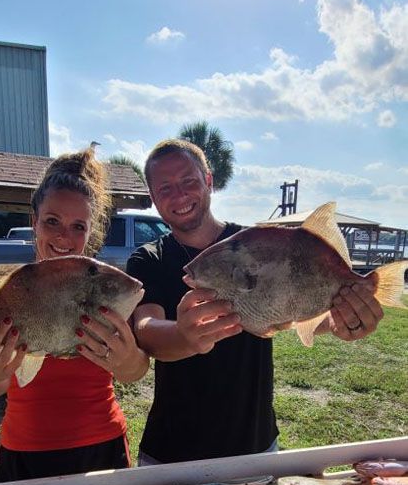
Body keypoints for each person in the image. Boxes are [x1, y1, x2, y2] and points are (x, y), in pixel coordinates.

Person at [127, 139, 383, 466]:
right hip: (170, 452)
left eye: (189, 181)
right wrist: (183, 336)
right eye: (165, 188)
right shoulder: (148, 259)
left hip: (255, 445)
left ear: (208, 181)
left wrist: (340, 320)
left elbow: (292, 308)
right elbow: (146, 328)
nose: (179, 195)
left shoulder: (257, 242)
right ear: (153, 197)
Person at [0, 147, 149, 482]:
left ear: (90, 231)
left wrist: (126, 360)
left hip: (101, 446)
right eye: (52, 221)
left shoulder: (106, 289)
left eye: (78, 226)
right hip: (23, 450)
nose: (65, 236)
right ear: (34, 222)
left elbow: (135, 371)